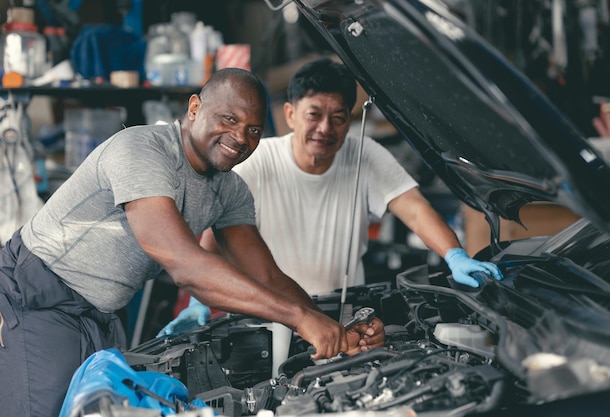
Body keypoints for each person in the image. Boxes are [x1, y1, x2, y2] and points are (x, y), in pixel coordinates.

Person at [0, 68, 373, 417]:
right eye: (229, 119)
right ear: (195, 108)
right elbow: (185, 265)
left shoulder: (230, 190)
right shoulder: (142, 151)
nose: (241, 138)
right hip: (37, 296)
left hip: (100, 315)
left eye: (255, 130)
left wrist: (332, 327)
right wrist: (299, 319)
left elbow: (268, 276)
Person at [160, 58, 503, 334]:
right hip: (266, 320)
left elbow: (413, 209)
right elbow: (216, 239)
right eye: (314, 115)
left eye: (338, 118)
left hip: (343, 317)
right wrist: (199, 302)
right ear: (291, 114)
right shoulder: (256, 160)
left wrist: (455, 255)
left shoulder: (364, 155)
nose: (325, 128)